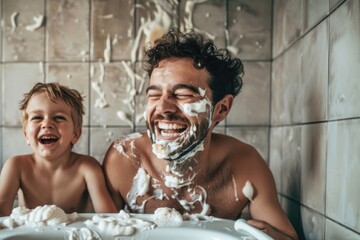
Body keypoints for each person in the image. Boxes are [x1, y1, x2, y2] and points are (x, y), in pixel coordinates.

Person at [103, 28, 298, 240]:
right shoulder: (124, 158)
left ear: (221, 109)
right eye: (155, 95)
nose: (163, 107)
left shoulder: (245, 166)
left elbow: (285, 237)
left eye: (183, 94)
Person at [0, 82, 116, 216]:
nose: (47, 124)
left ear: (75, 135)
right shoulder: (17, 166)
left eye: (59, 118)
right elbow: (1, 213)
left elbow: (110, 218)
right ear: (26, 135)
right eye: (37, 117)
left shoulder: (87, 168)